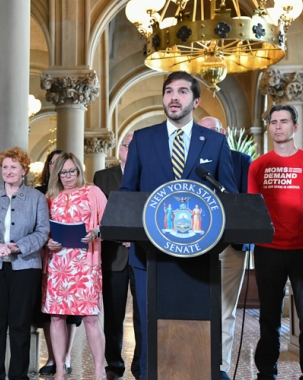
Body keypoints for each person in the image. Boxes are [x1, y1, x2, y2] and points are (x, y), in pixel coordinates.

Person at [119, 71, 237, 378]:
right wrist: (127, 228)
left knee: (195, 323)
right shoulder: (143, 139)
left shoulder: (214, 142)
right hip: (149, 253)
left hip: (199, 254)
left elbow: (229, 194)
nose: (174, 97)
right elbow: (127, 191)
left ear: (195, 101)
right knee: (149, 323)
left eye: (182, 92)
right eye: (169, 91)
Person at [248, 104, 303, 380]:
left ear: (295, 127)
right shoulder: (258, 166)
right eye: (273, 122)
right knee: (268, 316)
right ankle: (266, 371)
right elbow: (254, 208)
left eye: (283, 121)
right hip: (268, 249)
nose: (278, 126)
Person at [0, 147, 50, 380]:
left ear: (24, 170)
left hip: (25, 267)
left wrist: (18, 246)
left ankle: (19, 376)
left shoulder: (36, 198)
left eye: (13, 167)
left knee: (20, 325)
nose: (8, 171)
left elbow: (42, 231)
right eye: (5, 167)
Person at [43, 152, 109, 380]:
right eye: (63, 172)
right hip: (58, 263)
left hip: (85, 263)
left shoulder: (93, 192)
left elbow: (109, 221)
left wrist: (96, 232)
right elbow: (43, 229)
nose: (69, 176)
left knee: (91, 317)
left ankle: (100, 369)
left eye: (72, 171)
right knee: (56, 317)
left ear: (79, 171)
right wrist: (47, 241)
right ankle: (60, 369)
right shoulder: (50, 196)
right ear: (57, 174)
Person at [198, 116, 253, 380]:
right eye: (203, 132)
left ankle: (220, 366)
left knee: (225, 308)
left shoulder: (242, 161)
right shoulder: (191, 162)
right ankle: (196, 360)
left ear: (224, 133)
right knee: (198, 305)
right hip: (197, 245)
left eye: (213, 131)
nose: (208, 137)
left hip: (230, 245)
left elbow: (246, 200)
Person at [92, 133, 142, 380]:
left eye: (136, 146)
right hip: (114, 256)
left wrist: (136, 237)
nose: (131, 150)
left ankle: (141, 366)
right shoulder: (103, 177)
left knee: (143, 313)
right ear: (119, 149)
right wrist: (118, 236)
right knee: (113, 314)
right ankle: (114, 364)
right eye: (127, 145)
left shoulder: (149, 175)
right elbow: (99, 216)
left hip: (143, 254)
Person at [35, 149, 83, 376]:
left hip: (75, 261)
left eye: (62, 164)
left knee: (71, 313)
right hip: (49, 260)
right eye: (53, 163)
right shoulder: (40, 194)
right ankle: (53, 357)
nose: (58, 168)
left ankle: (65, 356)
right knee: (50, 312)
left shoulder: (82, 192)